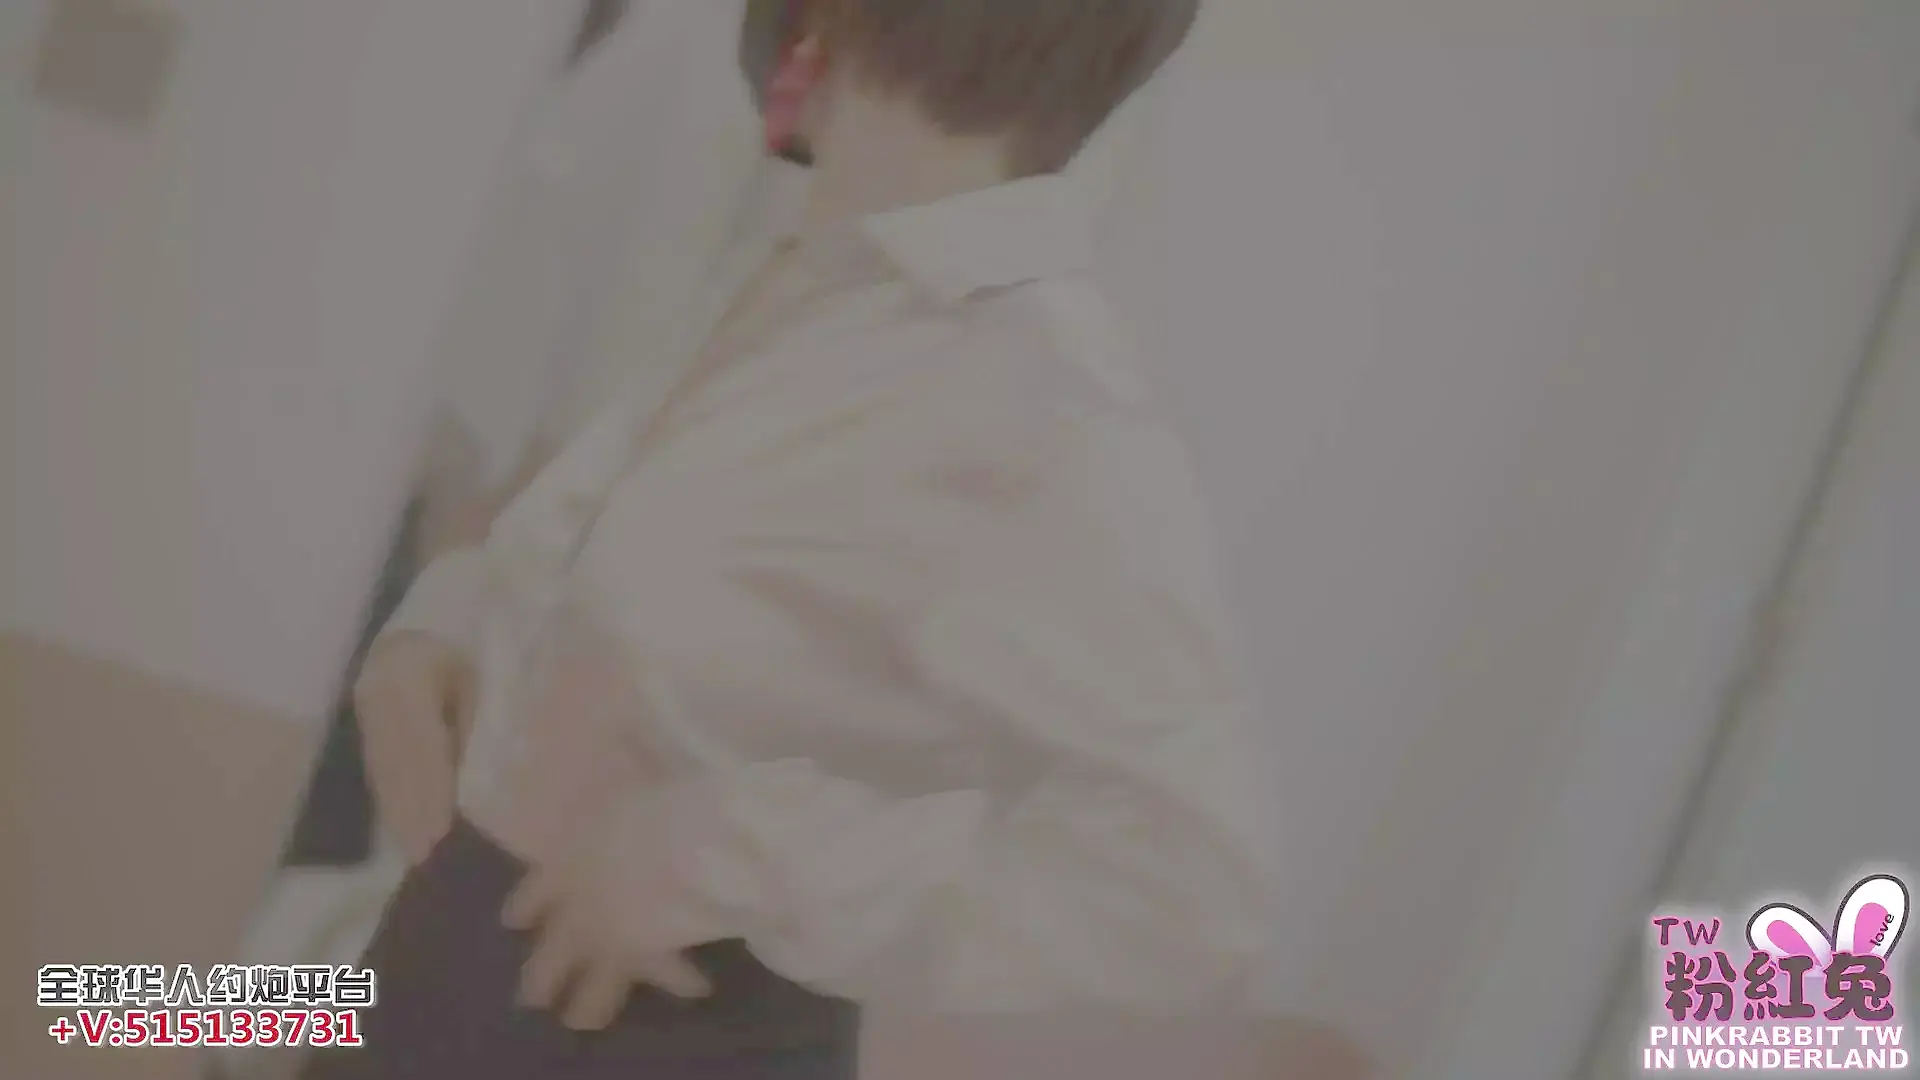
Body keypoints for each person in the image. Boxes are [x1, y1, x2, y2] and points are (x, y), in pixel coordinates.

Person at [302, 1, 1278, 1076]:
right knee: (146, 1010)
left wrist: (740, 848)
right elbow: (637, 604)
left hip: (633, 1036)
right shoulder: (798, 282)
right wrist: (444, 625)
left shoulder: (1046, 403)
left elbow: (1191, 893)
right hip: (435, 969)